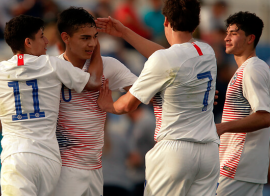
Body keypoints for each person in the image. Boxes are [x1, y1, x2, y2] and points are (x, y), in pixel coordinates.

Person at [96, 0, 220, 195]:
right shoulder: (207, 52)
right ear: (196, 24)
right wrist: (126, 32)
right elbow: (169, 57)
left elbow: (127, 105)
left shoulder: (164, 60)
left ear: (165, 21)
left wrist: (108, 105)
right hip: (209, 152)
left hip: (175, 149)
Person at [0, 14, 103, 196]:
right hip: (49, 160)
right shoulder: (53, 64)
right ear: (28, 42)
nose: (46, 41)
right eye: (42, 36)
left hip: (17, 157)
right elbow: (93, 83)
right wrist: (96, 48)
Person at [54, 7, 138, 196]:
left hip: (96, 169)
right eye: (85, 38)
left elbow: (144, 93)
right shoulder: (52, 70)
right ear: (65, 37)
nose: (92, 43)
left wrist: (115, 107)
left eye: (95, 37)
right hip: (63, 169)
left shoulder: (109, 65)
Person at [216, 12, 270, 196]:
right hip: (240, 167)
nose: (226, 37)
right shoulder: (247, 69)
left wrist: (222, 127)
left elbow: (265, 116)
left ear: (250, 38)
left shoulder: (253, 68)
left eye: (234, 33)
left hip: (239, 166)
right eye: (227, 32)